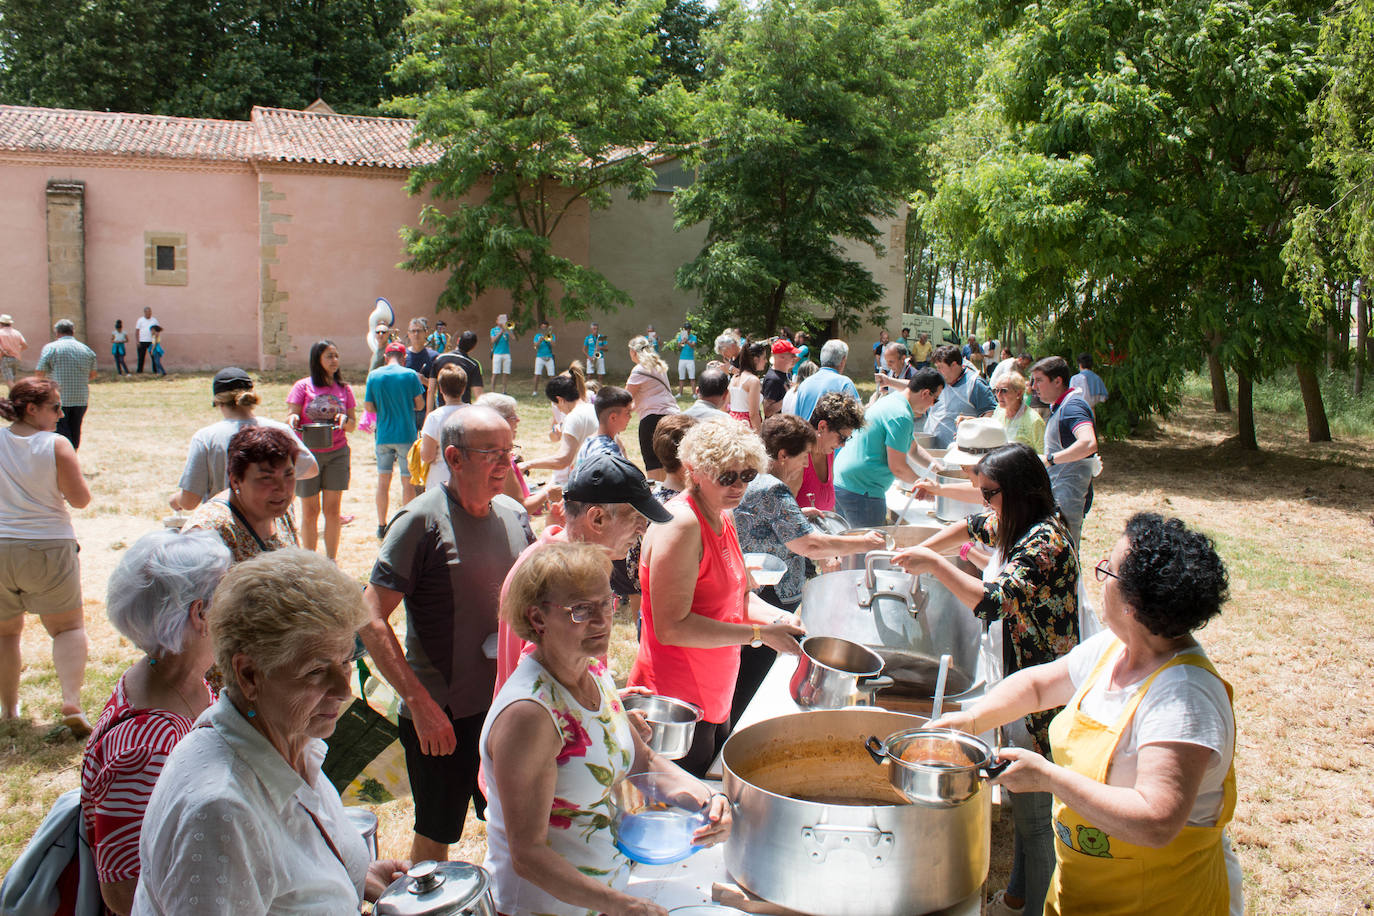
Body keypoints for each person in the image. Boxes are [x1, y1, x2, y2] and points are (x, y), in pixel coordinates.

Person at [931, 513, 1239, 916]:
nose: (1099, 578)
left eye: (1106, 570)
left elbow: (1155, 820)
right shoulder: (1116, 647)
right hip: (1083, 894)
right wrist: (969, 722)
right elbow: (1039, 686)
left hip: (1161, 902)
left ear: (1133, 604)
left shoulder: (1184, 699)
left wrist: (1046, 777)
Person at [131, 549, 410, 914]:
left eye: (344, 662)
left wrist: (353, 875)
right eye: (315, 670)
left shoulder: (293, 740)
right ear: (249, 674)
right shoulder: (221, 812)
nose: (343, 690)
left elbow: (283, 877)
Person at [482, 543, 730, 916]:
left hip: (604, 895)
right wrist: (624, 905)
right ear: (537, 619)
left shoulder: (592, 671)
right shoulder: (530, 716)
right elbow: (528, 855)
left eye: (605, 603)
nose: (601, 621)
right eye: (581, 609)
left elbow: (641, 761)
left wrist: (708, 801)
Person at [894, 442, 1082, 916]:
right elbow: (969, 525)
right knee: (1021, 809)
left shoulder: (1046, 543)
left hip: (1041, 695)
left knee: (1036, 821)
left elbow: (992, 601)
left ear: (1018, 490)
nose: (984, 503)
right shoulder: (1015, 517)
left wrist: (935, 565)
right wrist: (922, 547)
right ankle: (1019, 896)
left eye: (989, 493)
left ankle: (1035, 906)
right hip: (1017, 679)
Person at [360, 406, 533, 862]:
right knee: (437, 834)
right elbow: (368, 615)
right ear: (454, 458)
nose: (505, 465)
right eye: (491, 454)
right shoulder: (419, 521)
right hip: (444, 717)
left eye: (509, 453)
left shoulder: (515, 515)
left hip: (508, 705)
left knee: (516, 823)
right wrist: (420, 704)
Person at [629, 418, 806, 776]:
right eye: (726, 476)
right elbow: (671, 628)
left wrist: (779, 620)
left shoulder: (724, 516)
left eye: (748, 475)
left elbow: (738, 599)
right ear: (694, 471)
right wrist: (758, 635)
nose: (739, 485)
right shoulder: (681, 526)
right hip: (675, 701)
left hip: (715, 692)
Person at [81, 529, 231, 915]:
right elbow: (123, 893)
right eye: (232, 596)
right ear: (200, 614)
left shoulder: (174, 678)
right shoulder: (147, 748)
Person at [732, 415, 885, 724]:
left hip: (752, 589)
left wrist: (798, 513)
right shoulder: (774, 489)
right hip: (768, 595)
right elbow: (810, 546)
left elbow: (769, 522)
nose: (805, 466)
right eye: (803, 457)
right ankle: (734, 733)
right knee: (751, 676)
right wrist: (863, 542)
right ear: (783, 455)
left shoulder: (755, 480)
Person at [494, 452, 672, 692]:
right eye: (636, 518)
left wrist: (607, 700)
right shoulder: (562, 581)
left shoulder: (566, 563)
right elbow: (542, 687)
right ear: (597, 518)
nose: (642, 530)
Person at [0, 377, 92, 732]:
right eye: (55, 406)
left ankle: (9, 710)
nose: (61, 413)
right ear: (31, 409)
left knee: (6, 633)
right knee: (68, 627)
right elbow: (81, 500)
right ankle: (71, 699)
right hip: (48, 544)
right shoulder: (56, 445)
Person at [169, 367, 317, 512]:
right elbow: (311, 469)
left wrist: (175, 500)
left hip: (225, 524)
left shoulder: (206, 437)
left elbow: (189, 501)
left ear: (218, 402)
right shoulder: (279, 431)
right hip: (269, 524)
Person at [832, 369, 944, 528]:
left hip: (844, 481)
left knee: (847, 546)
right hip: (862, 490)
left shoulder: (894, 401)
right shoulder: (901, 416)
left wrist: (940, 470)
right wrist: (924, 485)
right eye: (936, 399)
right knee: (867, 549)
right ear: (926, 393)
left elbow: (912, 449)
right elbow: (898, 468)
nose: (933, 405)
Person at [182, 426, 300, 562]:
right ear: (236, 481)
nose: (282, 488)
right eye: (266, 478)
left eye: (289, 474)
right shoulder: (209, 532)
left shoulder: (281, 508)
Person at [286, 339, 355, 560]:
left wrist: (345, 420)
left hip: (338, 453)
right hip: (307, 456)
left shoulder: (345, 389)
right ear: (318, 360)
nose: (335, 360)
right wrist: (293, 418)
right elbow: (291, 415)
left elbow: (353, 425)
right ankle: (310, 562)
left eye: (336, 355)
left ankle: (331, 561)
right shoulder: (302, 386)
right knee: (310, 511)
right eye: (329, 356)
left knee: (333, 511)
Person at [1030, 356, 1099, 546]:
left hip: (1068, 500)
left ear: (1058, 381)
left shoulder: (1072, 407)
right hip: (1059, 497)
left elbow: (1088, 443)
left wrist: (1050, 459)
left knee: (1066, 558)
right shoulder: (1061, 406)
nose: (1034, 386)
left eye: (1039, 380)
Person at [365, 342, 427, 538]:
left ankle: (381, 525)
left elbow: (368, 407)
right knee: (407, 482)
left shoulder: (374, 376)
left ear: (385, 357)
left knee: (383, 481)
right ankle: (405, 525)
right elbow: (420, 405)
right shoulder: (409, 375)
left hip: (383, 435)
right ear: (404, 358)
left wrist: (383, 410)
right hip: (405, 435)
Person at [477, 392, 550, 517]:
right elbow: (521, 508)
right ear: (499, 421)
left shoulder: (481, 452)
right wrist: (548, 493)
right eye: (513, 416)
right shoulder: (501, 461)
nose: (518, 419)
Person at [525, 369, 598, 486]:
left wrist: (528, 464)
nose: (558, 409)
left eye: (556, 404)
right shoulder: (595, 409)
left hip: (588, 481)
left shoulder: (572, 417)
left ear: (560, 399)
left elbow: (563, 460)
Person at [34, 319, 98, 450]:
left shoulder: (51, 348)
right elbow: (92, 375)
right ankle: (72, 456)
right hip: (81, 398)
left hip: (59, 398)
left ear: (57, 333)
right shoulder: (86, 349)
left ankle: (62, 460)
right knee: (75, 429)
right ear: (73, 331)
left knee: (60, 431)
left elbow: (40, 371)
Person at [798, 391, 865, 513]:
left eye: (847, 439)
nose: (843, 444)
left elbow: (828, 504)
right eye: (842, 438)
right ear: (822, 427)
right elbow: (782, 513)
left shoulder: (828, 452)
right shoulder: (797, 456)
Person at [625, 335, 680, 481]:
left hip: (652, 420)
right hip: (673, 417)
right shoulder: (659, 366)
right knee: (672, 465)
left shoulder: (638, 371)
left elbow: (625, 398)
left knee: (653, 466)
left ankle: (658, 499)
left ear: (633, 352)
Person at [923, 344, 997, 449]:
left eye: (941, 367)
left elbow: (991, 413)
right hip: (933, 448)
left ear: (954, 365)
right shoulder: (938, 381)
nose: (938, 371)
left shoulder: (975, 384)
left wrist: (973, 428)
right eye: (937, 367)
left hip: (960, 451)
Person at [419, 364, 469, 492]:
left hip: (440, 480)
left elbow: (427, 456)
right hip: (469, 477)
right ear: (463, 388)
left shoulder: (434, 417)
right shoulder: (476, 414)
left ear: (440, 389)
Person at [788, 339, 860, 422]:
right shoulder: (844, 383)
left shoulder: (805, 384)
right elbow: (857, 419)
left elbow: (798, 420)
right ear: (843, 360)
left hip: (807, 433)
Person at [576, 386, 633, 466]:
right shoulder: (607, 452)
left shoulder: (588, 442)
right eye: (628, 413)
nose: (630, 417)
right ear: (613, 417)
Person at [993, 371, 1047, 453]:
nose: (999, 395)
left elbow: (1043, 454)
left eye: (1004, 391)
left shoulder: (1034, 421)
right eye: (996, 390)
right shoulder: (998, 411)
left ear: (1019, 393)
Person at [430, 329, 485, 409]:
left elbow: (431, 390)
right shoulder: (473, 365)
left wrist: (428, 412)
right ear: (473, 347)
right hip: (463, 412)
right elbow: (479, 396)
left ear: (458, 340)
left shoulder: (439, 359)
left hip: (443, 409)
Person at [405, 318, 438, 429]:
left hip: (427, 408)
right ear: (408, 334)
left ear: (426, 333)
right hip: (406, 408)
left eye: (419, 331)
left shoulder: (434, 357)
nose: (416, 334)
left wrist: (424, 380)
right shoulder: (402, 356)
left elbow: (440, 387)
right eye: (413, 331)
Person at [727, 341, 768, 429]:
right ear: (756, 359)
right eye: (764, 358)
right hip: (747, 426)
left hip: (732, 424)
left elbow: (725, 405)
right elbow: (753, 415)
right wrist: (759, 436)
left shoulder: (734, 378)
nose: (766, 361)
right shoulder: (753, 380)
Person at [761, 339, 797, 418]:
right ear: (782, 357)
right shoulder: (773, 379)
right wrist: (788, 397)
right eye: (792, 355)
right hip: (776, 428)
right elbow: (767, 411)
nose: (795, 358)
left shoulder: (784, 374)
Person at [0, 314, 27, 388]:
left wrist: (2, 350)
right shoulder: (17, 332)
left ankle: (18, 394)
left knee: (9, 380)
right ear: (10, 323)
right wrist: (17, 351)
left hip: (6, 358)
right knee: (13, 379)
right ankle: (12, 398)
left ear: (1, 323)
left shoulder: (0, 332)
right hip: (16, 358)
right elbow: (25, 345)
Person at [490, 314, 515, 393]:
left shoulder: (508, 329)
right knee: (495, 373)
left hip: (506, 353)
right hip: (497, 353)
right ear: (497, 321)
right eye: (500, 320)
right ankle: (493, 391)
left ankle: (504, 391)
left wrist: (506, 329)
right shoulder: (493, 330)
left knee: (506, 372)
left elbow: (513, 338)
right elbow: (493, 341)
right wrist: (501, 331)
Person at [532, 320, 557, 394]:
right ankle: (535, 391)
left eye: (545, 327)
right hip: (539, 357)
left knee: (551, 375)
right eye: (542, 327)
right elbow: (535, 346)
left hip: (549, 357)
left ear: (547, 328)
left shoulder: (551, 335)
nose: (544, 329)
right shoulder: (537, 336)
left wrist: (549, 339)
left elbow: (554, 345)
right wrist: (540, 340)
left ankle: (552, 391)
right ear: (540, 328)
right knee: (537, 374)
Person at [674, 322, 698, 395]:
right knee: (681, 377)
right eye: (685, 329)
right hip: (682, 359)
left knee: (692, 378)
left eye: (688, 329)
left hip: (690, 360)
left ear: (690, 330)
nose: (687, 330)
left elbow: (693, 345)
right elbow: (678, 346)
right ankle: (680, 393)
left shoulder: (693, 337)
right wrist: (682, 341)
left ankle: (694, 394)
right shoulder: (681, 336)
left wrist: (687, 341)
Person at [134, 307, 157, 374]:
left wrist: (156, 340)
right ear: (144, 312)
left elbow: (157, 330)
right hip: (142, 341)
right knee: (141, 357)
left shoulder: (154, 320)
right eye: (147, 312)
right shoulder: (140, 320)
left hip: (151, 342)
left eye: (150, 312)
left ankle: (155, 371)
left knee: (154, 357)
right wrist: (137, 341)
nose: (149, 313)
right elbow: (137, 331)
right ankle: (139, 372)